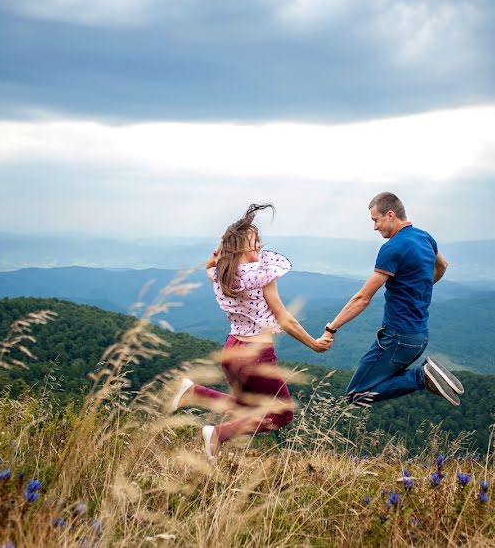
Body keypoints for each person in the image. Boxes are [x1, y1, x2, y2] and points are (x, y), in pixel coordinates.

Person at [167, 203, 332, 462]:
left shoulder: (222, 273)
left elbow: (209, 263)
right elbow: (285, 320)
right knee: (282, 415)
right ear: (241, 247)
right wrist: (314, 344)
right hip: (255, 356)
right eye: (254, 243)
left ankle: (194, 393)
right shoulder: (263, 275)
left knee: (246, 407)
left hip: (231, 351)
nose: (259, 247)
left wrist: (222, 248)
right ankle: (218, 434)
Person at [321, 192, 465, 406]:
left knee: (355, 395)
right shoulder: (425, 237)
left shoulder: (392, 248)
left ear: (390, 215)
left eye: (375, 220)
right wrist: (418, 289)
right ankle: (424, 375)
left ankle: (422, 376)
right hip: (419, 336)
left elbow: (362, 298)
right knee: (364, 391)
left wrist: (331, 328)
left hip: (398, 338)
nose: (375, 227)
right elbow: (442, 266)